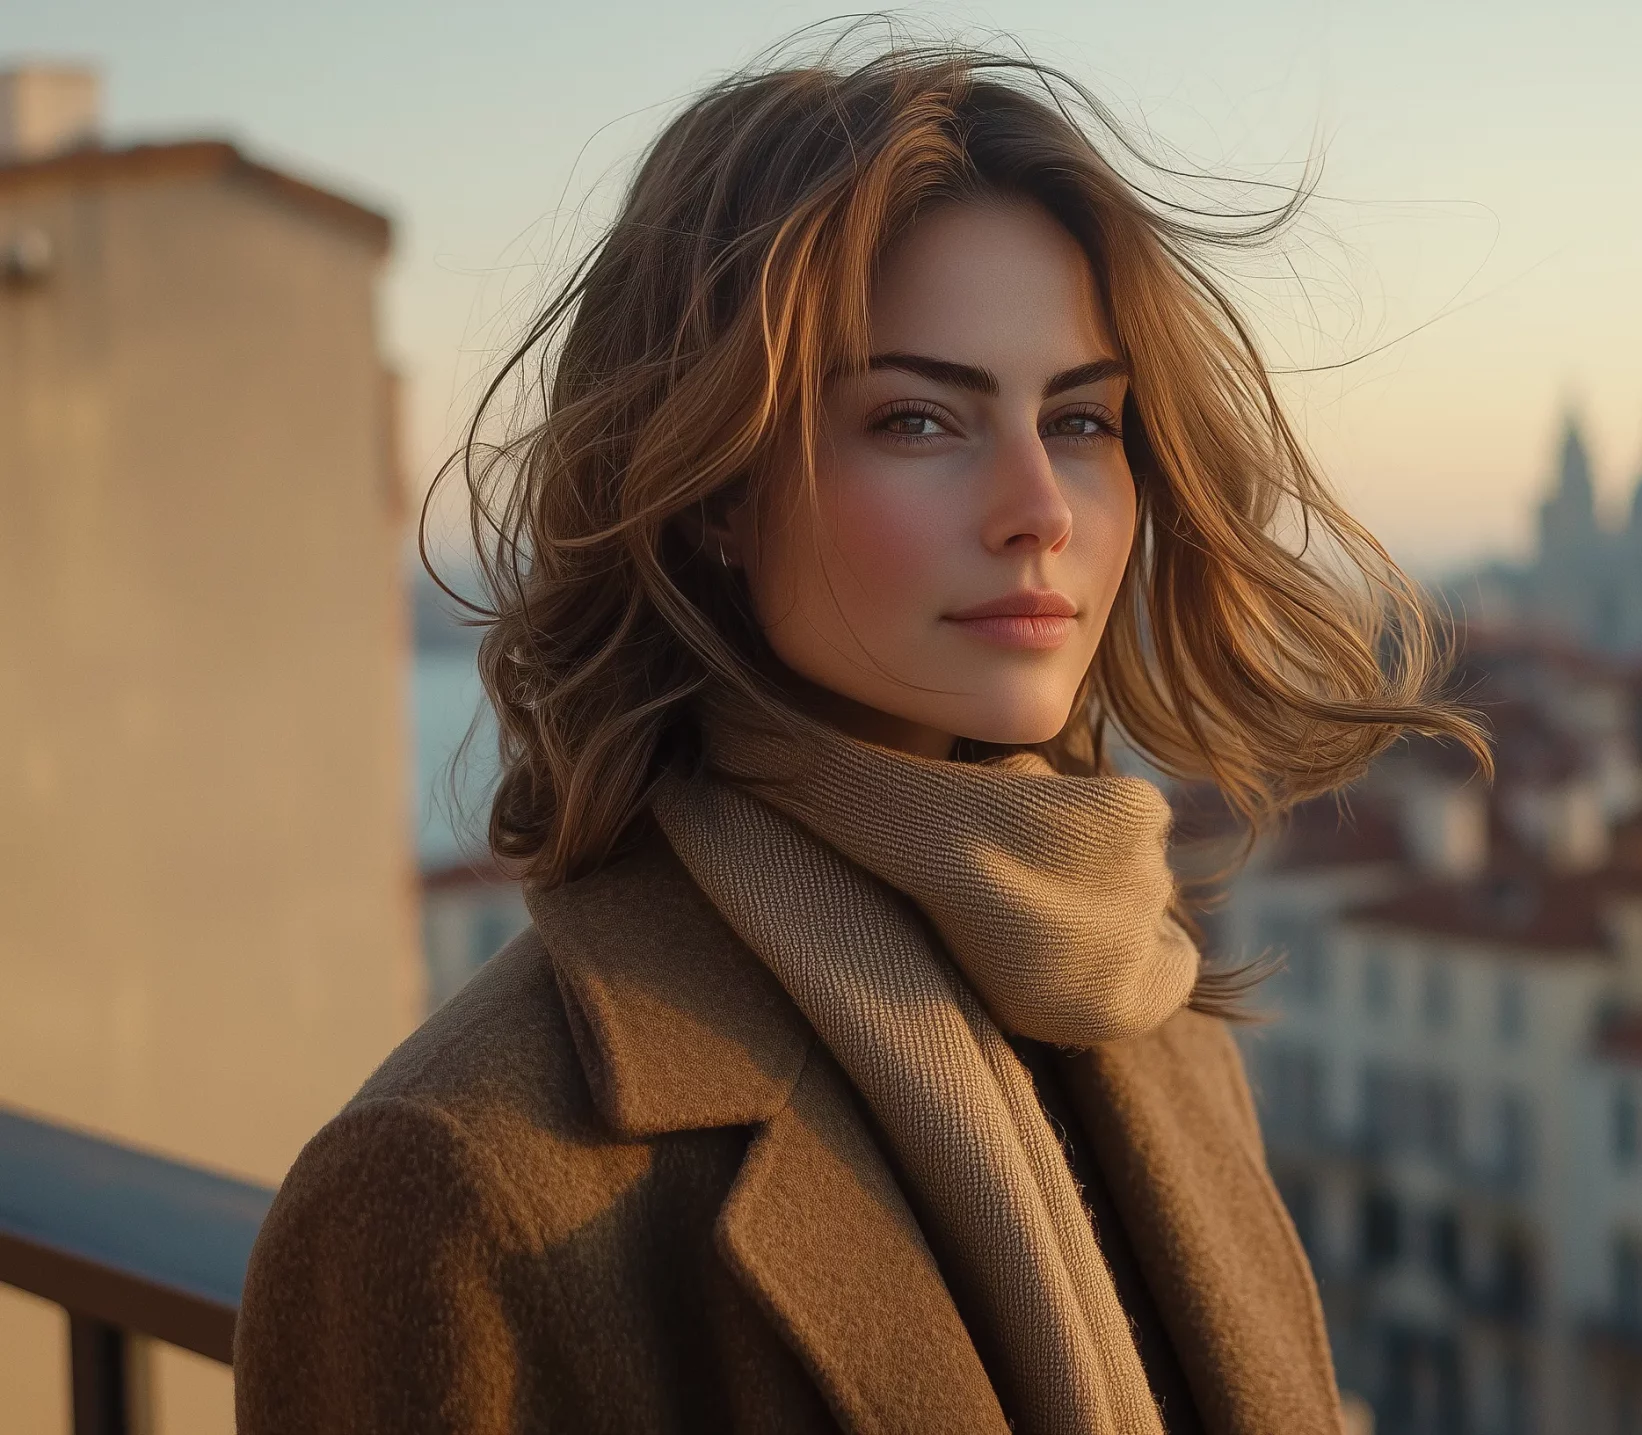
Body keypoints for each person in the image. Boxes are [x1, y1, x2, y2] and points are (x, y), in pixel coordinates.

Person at [233, 34, 1483, 1435]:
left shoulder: (1154, 1016)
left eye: (1080, 418)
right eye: (918, 418)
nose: (1040, 507)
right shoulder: (454, 1183)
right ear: (709, 486)